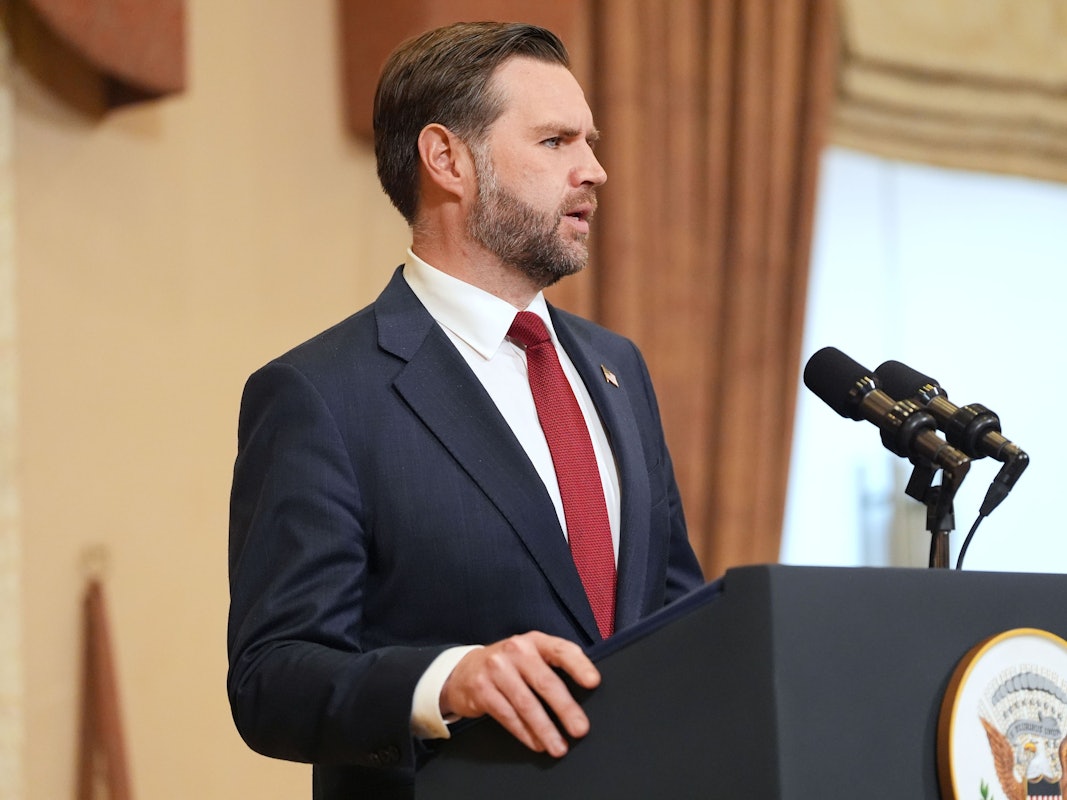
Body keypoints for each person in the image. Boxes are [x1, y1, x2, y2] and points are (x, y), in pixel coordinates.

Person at [227, 20, 705, 798]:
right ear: (446, 159)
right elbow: (271, 679)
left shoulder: (618, 368)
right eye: (556, 142)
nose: (596, 170)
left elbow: (674, 615)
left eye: (589, 141)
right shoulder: (321, 394)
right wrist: (447, 682)